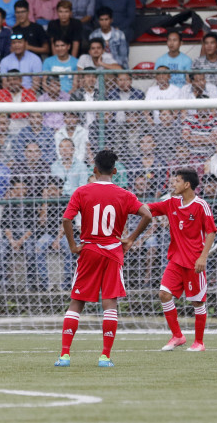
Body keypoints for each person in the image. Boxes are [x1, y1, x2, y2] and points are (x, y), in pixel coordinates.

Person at [55, 149, 153, 368]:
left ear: (94, 169)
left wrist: (73, 245)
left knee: (77, 302)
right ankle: (105, 357)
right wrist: (130, 239)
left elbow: (66, 219)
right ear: (115, 171)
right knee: (110, 303)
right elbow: (147, 214)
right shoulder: (124, 194)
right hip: (112, 251)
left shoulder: (82, 191)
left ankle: (64, 355)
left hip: (89, 250)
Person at [147, 168, 217, 352]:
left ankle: (199, 343)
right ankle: (177, 336)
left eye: (177, 181)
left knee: (197, 302)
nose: (173, 184)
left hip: (194, 262)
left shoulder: (201, 205)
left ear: (187, 184)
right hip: (176, 260)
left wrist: (203, 257)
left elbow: (211, 231)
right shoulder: (172, 203)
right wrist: (126, 203)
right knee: (164, 294)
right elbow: (150, 208)